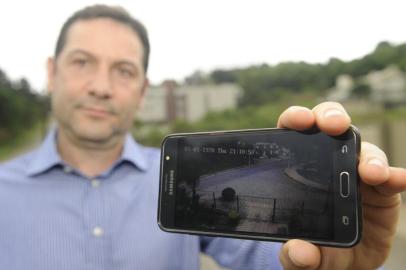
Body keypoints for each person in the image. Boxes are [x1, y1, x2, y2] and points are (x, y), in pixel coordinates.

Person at [0, 4, 405, 270]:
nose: (101, 86)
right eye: (82, 62)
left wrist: (333, 262)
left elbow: (264, 255)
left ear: (143, 91)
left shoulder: (178, 176)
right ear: (51, 73)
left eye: (123, 70)